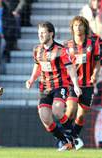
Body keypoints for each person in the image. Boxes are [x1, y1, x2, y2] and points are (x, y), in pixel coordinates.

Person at [25, 21, 82, 151]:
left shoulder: (61, 50)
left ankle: (74, 136)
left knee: (57, 110)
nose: (40, 35)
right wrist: (31, 79)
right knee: (45, 117)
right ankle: (65, 142)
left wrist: (76, 85)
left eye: (43, 32)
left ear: (51, 34)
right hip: (45, 88)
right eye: (39, 33)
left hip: (60, 85)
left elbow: (71, 68)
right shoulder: (37, 49)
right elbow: (37, 65)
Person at [63, 16, 101, 150]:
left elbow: (97, 62)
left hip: (88, 85)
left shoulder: (93, 43)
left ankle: (71, 141)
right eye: (75, 26)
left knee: (80, 115)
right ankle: (65, 139)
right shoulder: (67, 45)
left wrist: (95, 74)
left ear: (85, 27)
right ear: (72, 28)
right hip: (72, 84)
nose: (78, 28)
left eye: (80, 25)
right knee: (71, 110)